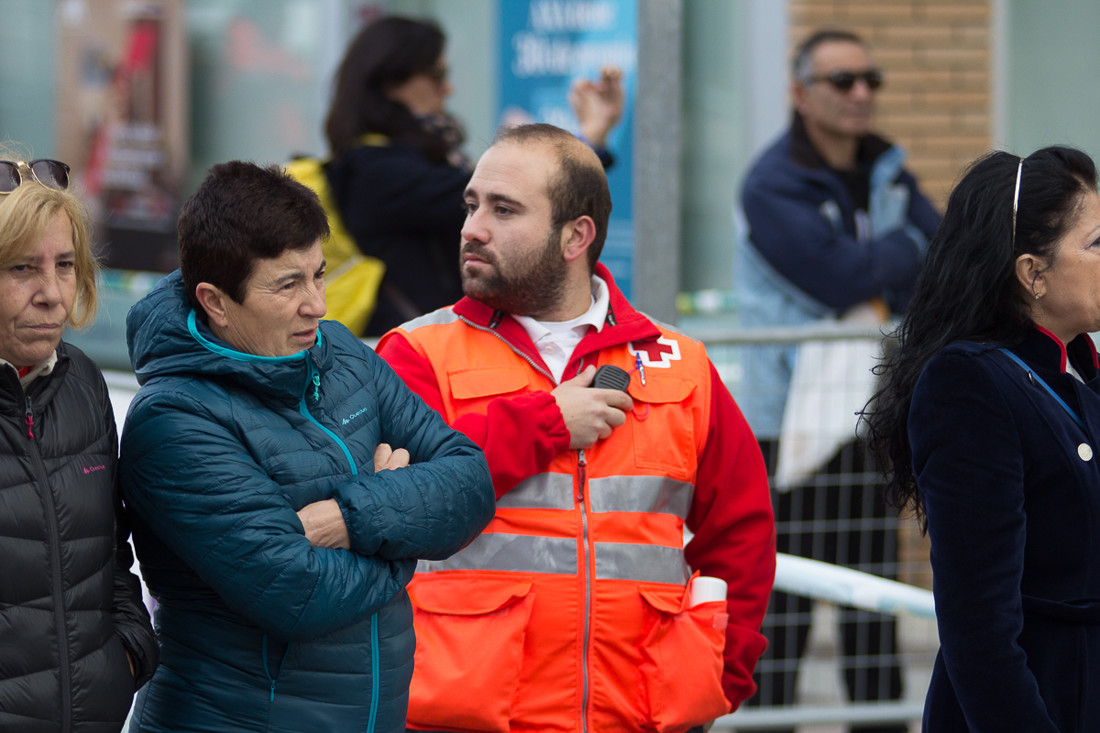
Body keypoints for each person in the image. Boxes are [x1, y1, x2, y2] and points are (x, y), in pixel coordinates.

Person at [377, 123, 775, 732]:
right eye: (472, 204)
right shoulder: (416, 353)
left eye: (503, 209)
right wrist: (546, 424)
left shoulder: (679, 363)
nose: (472, 228)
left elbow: (742, 529)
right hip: (463, 712)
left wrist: (722, 667)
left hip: (637, 711)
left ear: (576, 236)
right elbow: (396, 504)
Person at [118, 161, 496, 732]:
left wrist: (353, 514)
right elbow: (299, 593)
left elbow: (471, 483)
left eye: (318, 274)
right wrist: (408, 528)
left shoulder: (338, 352)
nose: (317, 304)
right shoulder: (174, 418)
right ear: (215, 302)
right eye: (288, 284)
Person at [733, 28, 942, 728]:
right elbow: (837, 274)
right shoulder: (771, 183)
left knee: (870, 606)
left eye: (870, 80)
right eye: (842, 80)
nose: (861, 94)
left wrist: (901, 259)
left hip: (864, 417)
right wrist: (903, 251)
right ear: (799, 92)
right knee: (782, 613)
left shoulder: (887, 168)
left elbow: (941, 262)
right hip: (785, 428)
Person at [866, 145, 1100, 731]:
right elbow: (979, 627)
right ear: (1033, 273)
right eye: (1095, 244)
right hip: (1039, 701)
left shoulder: (1079, 372)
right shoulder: (969, 381)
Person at [323, 15, 623, 336]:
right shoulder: (375, 170)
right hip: (414, 352)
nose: (474, 230)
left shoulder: (407, 160)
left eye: (501, 210)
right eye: (437, 75)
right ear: (391, 83)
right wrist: (587, 138)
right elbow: (523, 188)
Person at [0, 155, 158, 730]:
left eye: (65, 265)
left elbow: (108, 556)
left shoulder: (81, 381)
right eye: (22, 268)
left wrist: (127, 653)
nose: (51, 293)